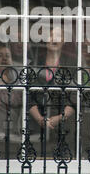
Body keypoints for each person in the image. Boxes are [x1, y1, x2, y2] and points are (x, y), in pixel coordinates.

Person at [29, 24, 76, 158]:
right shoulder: (36, 62)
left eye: (58, 36)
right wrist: (39, 119)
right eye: (50, 36)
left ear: (64, 41)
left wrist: (60, 117)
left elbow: (76, 95)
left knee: (62, 158)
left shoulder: (72, 62)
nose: (53, 39)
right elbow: (27, 94)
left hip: (64, 121)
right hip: (36, 119)